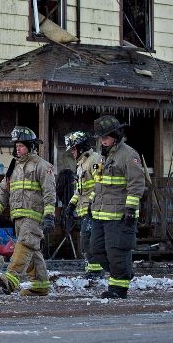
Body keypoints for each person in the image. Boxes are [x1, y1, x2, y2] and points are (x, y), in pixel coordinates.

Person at [0, 126, 56, 296]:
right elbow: (4, 190)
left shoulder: (41, 166)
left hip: (34, 216)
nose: (17, 149)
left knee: (25, 244)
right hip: (18, 216)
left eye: (21, 146)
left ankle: (11, 278)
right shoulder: (14, 167)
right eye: (16, 146)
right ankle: (40, 285)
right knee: (31, 250)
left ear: (30, 146)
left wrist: (49, 215)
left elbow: (49, 192)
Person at [89, 115, 146, 299]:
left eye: (105, 137)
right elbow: (98, 183)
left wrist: (130, 208)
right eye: (100, 138)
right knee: (95, 251)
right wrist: (90, 203)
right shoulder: (100, 156)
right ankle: (124, 271)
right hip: (99, 213)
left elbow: (136, 183)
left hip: (119, 214)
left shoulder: (129, 155)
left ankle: (119, 288)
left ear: (116, 135)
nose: (102, 141)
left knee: (116, 252)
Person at [63, 130, 104, 278]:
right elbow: (79, 190)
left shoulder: (96, 160)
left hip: (93, 209)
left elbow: (99, 184)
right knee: (85, 240)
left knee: (89, 239)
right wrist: (71, 205)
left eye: (73, 149)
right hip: (83, 209)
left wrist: (91, 203)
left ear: (80, 147)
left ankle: (95, 271)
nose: (72, 153)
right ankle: (91, 268)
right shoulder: (81, 164)